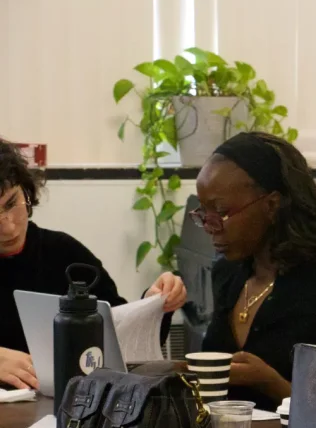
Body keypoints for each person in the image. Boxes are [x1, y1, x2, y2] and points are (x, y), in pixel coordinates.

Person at [0, 138, 185, 390]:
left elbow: (121, 343)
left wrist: (154, 305)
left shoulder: (63, 253)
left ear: (26, 192)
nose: (8, 225)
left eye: (12, 203)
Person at [193, 131, 316, 410]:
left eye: (220, 211)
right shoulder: (228, 274)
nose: (209, 225)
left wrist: (269, 382)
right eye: (203, 213)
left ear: (271, 205)